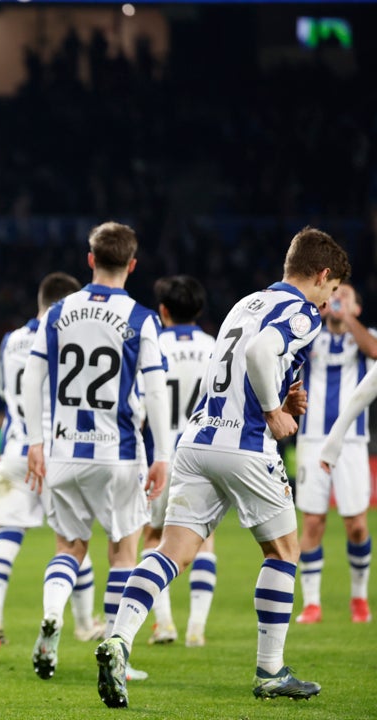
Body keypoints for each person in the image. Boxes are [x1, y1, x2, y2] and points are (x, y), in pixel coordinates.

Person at [96, 226, 350, 708]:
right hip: (246, 445)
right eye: (330, 291)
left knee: (171, 551)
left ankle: (119, 639)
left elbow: (242, 360)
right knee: (283, 551)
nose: (326, 303)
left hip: (197, 440)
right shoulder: (301, 311)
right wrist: (274, 410)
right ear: (322, 275)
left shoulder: (247, 302)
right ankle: (271, 671)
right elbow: (258, 355)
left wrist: (281, 392)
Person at [22, 221, 172, 682]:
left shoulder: (58, 312)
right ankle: (114, 647)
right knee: (123, 552)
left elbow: (33, 377)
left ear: (89, 260)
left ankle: (52, 617)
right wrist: (163, 451)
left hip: (64, 451)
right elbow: (156, 389)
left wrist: (34, 440)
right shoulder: (142, 318)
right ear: (132, 264)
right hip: (119, 453)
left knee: (69, 547)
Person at [0, 272, 107, 646]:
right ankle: (85, 624)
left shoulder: (11, 341)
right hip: (57, 452)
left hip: (16, 450)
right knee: (73, 542)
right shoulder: (70, 338)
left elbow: (6, 391)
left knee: (6, 538)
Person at [141, 276, 219, 647]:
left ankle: (166, 624)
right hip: (203, 451)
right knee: (205, 537)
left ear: (163, 311)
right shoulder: (216, 346)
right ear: (199, 311)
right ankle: (197, 629)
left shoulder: (152, 343)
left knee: (154, 536)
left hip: (162, 453)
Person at [295, 282, 374, 624]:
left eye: (347, 298)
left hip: (353, 443)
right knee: (312, 522)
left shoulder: (365, 335)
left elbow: (373, 350)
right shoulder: (311, 335)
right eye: (336, 296)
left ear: (356, 308)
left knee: (356, 525)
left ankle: (359, 598)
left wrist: (347, 317)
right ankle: (312, 604)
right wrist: (324, 313)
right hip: (311, 440)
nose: (339, 301)